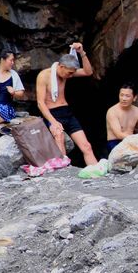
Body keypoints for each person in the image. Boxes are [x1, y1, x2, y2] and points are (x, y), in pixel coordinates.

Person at [35, 43, 103, 176]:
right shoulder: (44, 76)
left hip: (66, 112)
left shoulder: (66, 71)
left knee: (86, 146)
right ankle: (64, 174)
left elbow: (88, 72)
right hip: (52, 113)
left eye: (73, 73)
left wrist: (82, 53)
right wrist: (53, 122)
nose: (71, 76)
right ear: (61, 67)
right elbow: (40, 103)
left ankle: (97, 173)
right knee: (59, 136)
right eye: (69, 73)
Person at [105, 82, 138, 156]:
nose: (123, 99)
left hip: (131, 141)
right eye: (122, 95)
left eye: (127, 96)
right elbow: (118, 134)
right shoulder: (112, 111)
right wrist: (136, 139)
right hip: (115, 143)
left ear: (134, 98)